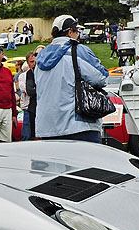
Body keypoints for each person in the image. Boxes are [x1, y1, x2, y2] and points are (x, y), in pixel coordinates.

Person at [34, 14, 109, 143]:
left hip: (47, 127)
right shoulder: (79, 50)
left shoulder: (40, 57)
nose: (78, 35)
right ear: (70, 32)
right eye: (77, 31)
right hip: (77, 125)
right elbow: (101, 78)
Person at [19, 50, 39, 141]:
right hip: (28, 107)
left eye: (36, 61)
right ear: (27, 63)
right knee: (27, 135)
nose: (34, 64)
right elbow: (28, 91)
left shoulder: (42, 74)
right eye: (31, 62)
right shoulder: (23, 76)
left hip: (40, 107)